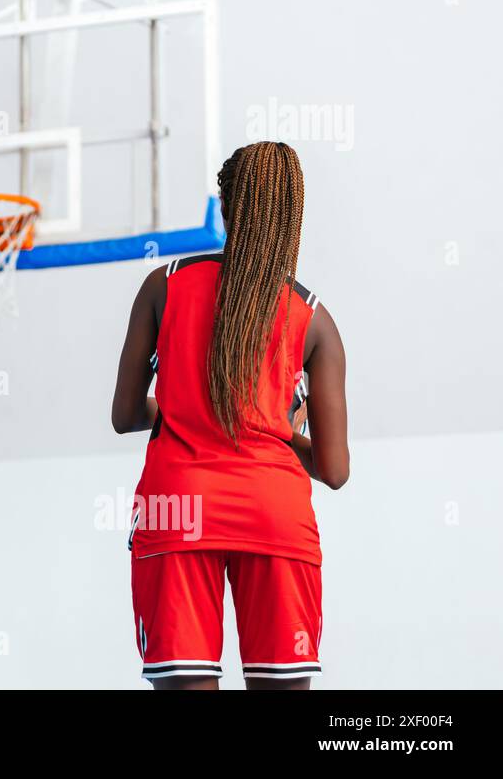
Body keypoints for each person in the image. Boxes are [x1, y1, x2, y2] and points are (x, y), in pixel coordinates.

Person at [110, 141, 349, 690]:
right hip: (274, 513)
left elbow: (125, 415)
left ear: (224, 208)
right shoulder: (313, 319)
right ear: (293, 216)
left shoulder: (163, 285)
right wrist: (279, 426)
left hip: (178, 509)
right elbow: (334, 471)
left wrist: (184, 406)